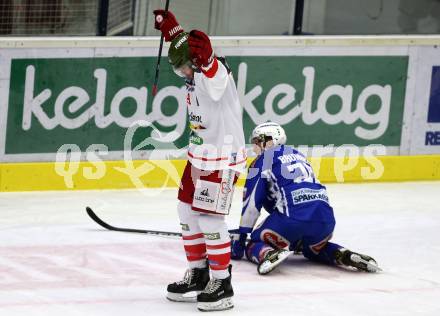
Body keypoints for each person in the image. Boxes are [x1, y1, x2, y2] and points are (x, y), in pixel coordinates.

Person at [153, 9, 247, 312]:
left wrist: (207, 59)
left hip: (221, 158)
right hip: (198, 156)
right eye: (178, 71)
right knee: (185, 210)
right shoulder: (192, 72)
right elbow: (185, 46)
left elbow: (213, 68)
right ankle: (198, 272)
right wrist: (173, 31)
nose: (183, 75)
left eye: (185, 68)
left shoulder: (215, 74)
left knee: (209, 219)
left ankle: (222, 283)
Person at [231, 122, 380, 275]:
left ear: (271, 140)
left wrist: (242, 236)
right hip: (325, 222)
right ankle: (343, 254)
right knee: (312, 250)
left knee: (255, 242)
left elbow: (252, 203)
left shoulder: (262, 161)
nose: (255, 147)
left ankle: (268, 254)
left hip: (291, 221)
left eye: (257, 141)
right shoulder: (299, 155)